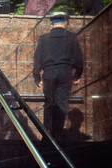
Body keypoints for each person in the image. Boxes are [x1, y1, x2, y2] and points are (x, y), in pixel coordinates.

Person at [32, 12, 83, 142]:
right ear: (65, 22)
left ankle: (47, 134)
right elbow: (78, 59)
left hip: (49, 73)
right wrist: (77, 75)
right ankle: (58, 135)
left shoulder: (44, 39)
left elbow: (37, 59)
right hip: (65, 72)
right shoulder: (72, 37)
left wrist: (37, 78)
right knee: (61, 103)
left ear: (51, 23)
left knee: (49, 103)